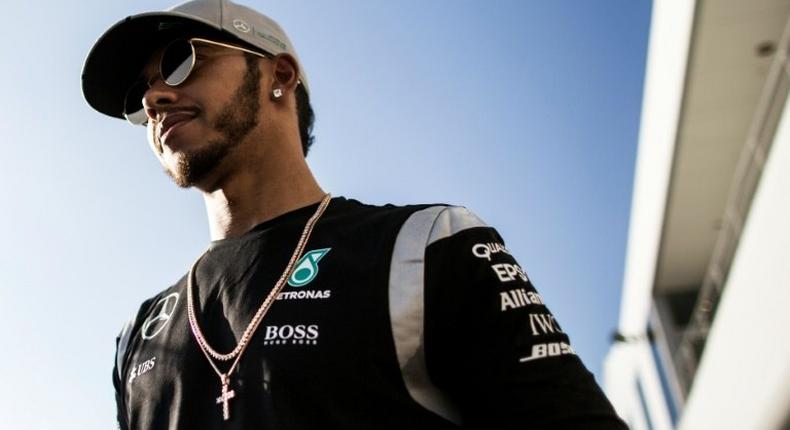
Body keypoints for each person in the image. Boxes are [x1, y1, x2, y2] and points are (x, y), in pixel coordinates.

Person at [82, 0, 627, 428]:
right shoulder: (140, 337)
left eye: (180, 61)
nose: (154, 98)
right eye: (140, 91)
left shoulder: (427, 246)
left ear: (281, 75)